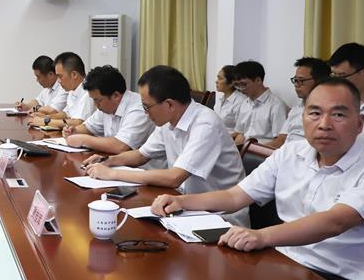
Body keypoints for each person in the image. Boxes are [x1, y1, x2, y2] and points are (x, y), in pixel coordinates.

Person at [151, 78, 364, 280]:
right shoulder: (291, 153)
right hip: (283, 264)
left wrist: (261, 236)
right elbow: (235, 197)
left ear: (360, 123)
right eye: (315, 113)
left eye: (339, 114)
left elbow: (335, 222)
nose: (324, 124)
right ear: (303, 117)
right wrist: (181, 201)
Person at [84, 65, 249, 226]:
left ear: (169, 104)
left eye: (147, 107)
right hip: (183, 205)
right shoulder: (169, 122)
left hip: (220, 219)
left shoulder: (206, 124)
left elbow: (174, 178)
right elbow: (141, 155)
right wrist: (108, 161)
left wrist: (113, 174)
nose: (145, 113)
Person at [63, 65, 154, 155]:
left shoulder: (138, 109)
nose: (96, 105)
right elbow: (87, 128)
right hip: (114, 160)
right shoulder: (106, 106)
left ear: (116, 96)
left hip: (142, 164)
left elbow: (121, 146)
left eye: (98, 100)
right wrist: (73, 131)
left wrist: (84, 140)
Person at [265, 57, 330, 149]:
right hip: (286, 153)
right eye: (295, 80)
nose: (296, 85)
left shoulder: (327, 111)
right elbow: (281, 140)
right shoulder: (296, 109)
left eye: (301, 80)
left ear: (319, 81)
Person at [28, 52, 92, 129]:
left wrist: (45, 121)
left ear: (74, 75)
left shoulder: (89, 92)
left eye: (60, 76)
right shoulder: (73, 89)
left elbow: (78, 123)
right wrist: (46, 117)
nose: (58, 81)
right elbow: (66, 114)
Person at [230, 60, 289, 145]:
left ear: (258, 80)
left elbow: (280, 142)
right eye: (237, 85)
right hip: (244, 148)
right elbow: (240, 132)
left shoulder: (276, 105)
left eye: (243, 84)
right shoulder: (245, 103)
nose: (240, 89)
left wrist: (252, 149)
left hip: (263, 150)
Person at [213, 65, 246, 132]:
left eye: (220, 78)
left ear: (231, 83)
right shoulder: (221, 99)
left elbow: (241, 130)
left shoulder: (240, 101)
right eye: (217, 78)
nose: (216, 81)